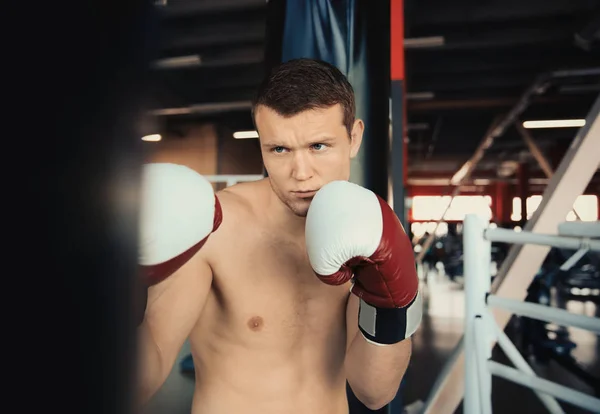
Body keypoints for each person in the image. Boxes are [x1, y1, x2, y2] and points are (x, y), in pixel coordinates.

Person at [136, 58, 422, 414]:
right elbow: (141, 379)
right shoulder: (216, 227)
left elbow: (375, 392)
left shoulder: (369, 232)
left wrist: (391, 304)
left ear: (354, 137)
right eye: (280, 150)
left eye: (318, 146)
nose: (301, 173)